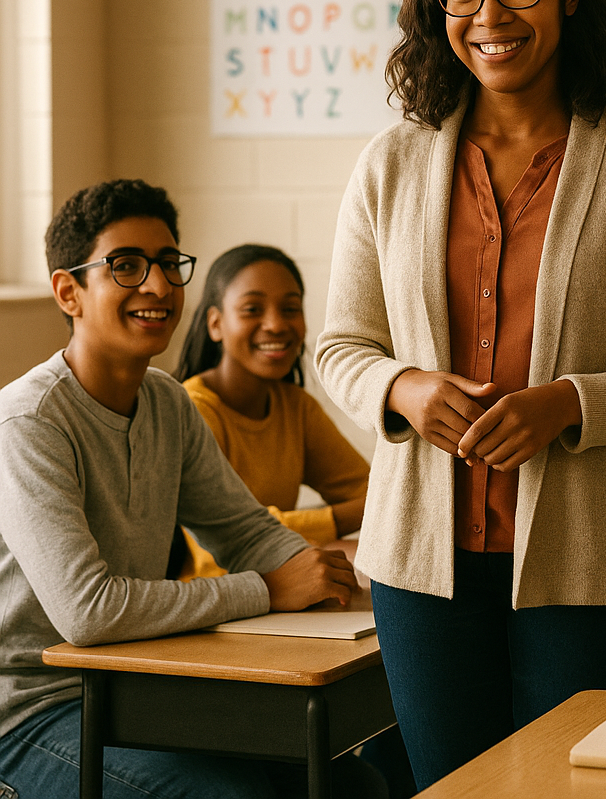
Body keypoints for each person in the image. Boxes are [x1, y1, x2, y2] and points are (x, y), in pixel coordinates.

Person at [315, 0, 606, 789]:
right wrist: (402, 388)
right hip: (421, 573)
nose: (488, 14)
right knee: (448, 786)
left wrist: (569, 404)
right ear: (439, 6)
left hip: (595, 564)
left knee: (571, 790)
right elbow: (340, 346)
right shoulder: (390, 163)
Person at [0, 180, 385, 799]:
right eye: (126, 266)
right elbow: (89, 613)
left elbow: (243, 529)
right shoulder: (27, 422)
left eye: (167, 264)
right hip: (28, 714)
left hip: (135, 688)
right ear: (68, 291)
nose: (157, 286)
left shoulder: (166, 401)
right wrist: (267, 588)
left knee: (352, 784)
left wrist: (320, 577)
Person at [174, 244, 370, 579]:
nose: (276, 325)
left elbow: (370, 494)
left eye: (290, 309)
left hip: (281, 590)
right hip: (214, 606)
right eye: (252, 309)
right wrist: (339, 522)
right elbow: (217, 547)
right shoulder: (189, 409)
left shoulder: (295, 407)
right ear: (216, 324)